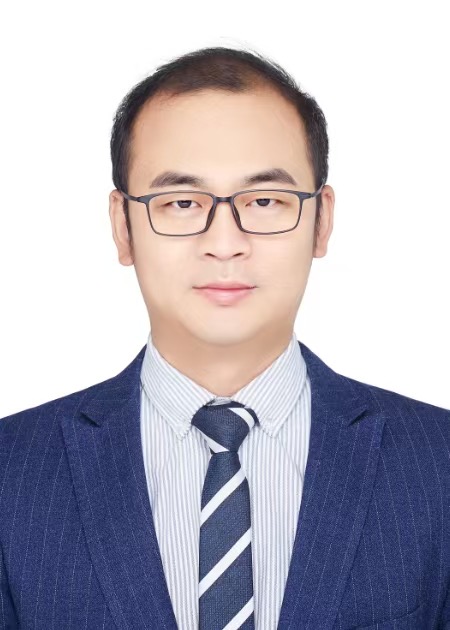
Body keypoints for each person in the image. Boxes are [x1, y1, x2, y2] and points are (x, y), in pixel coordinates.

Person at [0, 46, 449, 630]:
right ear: (122, 227)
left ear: (322, 220)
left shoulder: (437, 463)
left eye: (264, 201)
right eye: (182, 203)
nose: (225, 243)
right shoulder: (12, 471)